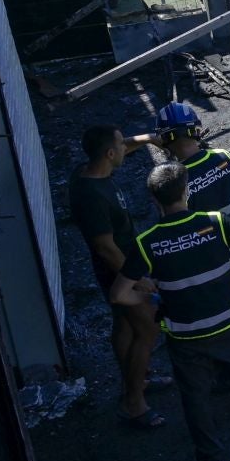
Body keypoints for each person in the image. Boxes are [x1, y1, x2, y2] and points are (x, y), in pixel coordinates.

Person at [114, 161, 230, 461]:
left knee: (195, 396)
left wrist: (154, 295)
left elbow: (119, 295)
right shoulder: (215, 222)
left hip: (186, 335)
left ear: (153, 199)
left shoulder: (146, 242)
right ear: (186, 191)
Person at [70, 125, 163, 429]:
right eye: (122, 145)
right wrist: (136, 279)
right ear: (110, 154)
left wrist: (149, 138)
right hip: (118, 270)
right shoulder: (93, 197)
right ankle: (133, 404)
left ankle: (137, 380)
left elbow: (123, 147)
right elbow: (105, 247)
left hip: (122, 266)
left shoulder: (89, 170)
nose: (127, 148)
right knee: (147, 329)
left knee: (125, 324)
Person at [130, 102, 230, 217]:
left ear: (164, 140)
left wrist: (147, 139)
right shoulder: (225, 156)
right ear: (197, 131)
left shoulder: (173, 180)